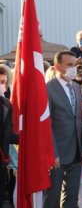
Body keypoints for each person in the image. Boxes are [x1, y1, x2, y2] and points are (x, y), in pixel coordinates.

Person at [44, 51, 82, 208]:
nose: (74, 69)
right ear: (57, 67)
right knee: (52, 195)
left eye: (75, 65)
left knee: (71, 195)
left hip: (77, 151)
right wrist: (53, 153)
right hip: (57, 154)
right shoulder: (48, 89)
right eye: (69, 65)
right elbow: (47, 124)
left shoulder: (77, 87)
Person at [0, 66, 17, 206]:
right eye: (0, 82)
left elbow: (9, 134)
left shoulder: (6, 104)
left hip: (2, 159)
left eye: (4, 82)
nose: (2, 86)